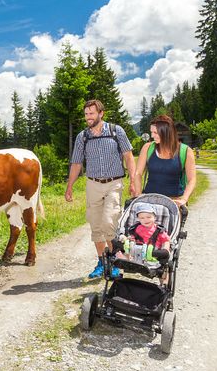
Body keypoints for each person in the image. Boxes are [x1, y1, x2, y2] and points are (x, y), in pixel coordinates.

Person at [64, 99, 136, 279]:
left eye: (91, 113)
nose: (88, 117)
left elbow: (128, 156)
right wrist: (69, 186)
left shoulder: (115, 131)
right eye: (86, 114)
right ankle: (101, 262)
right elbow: (76, 163)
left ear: (101, 113)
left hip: (114, 182)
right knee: (96, 226)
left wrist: (133, 180)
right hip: (93, 184)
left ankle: (114, 262)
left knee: (109, 222)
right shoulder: (83, 137)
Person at [134, 114, 196, 218]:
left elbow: (192, 179)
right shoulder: (148, 148)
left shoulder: (185, 151)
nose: (152, 135)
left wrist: (184, 199)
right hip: (149, 202)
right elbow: (138, 173)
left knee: (171, 233)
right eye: (151, 132)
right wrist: (138, 195)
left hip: (173, 202)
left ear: (166, 132)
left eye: (155, 132)